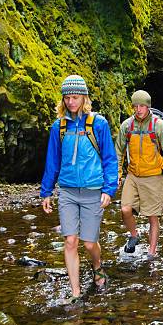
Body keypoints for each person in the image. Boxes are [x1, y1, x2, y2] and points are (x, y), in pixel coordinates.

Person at [40, 74, 118, 300]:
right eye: (67, 98)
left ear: (84, 98)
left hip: (94, 190)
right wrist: (46, 191)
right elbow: (52, 161)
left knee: (89, 242)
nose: (71, 102)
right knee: (70, 240)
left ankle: (97, 265)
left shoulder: (99, 124)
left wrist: (108, 189)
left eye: (75, 97)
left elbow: (110, 159)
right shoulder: (59, 127)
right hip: (67, 191)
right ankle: (76, 292)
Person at [115, 90, 163, 259]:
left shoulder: (159, 126)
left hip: (153, 176)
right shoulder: (127, 126)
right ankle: (134, 235)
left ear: (148, 106)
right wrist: (117, 175)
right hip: (133, 175)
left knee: (153, 217)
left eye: (142, 106)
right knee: (125, 209)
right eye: (135, 106)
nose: (138, 109)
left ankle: (151, 253)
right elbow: (118, 152)